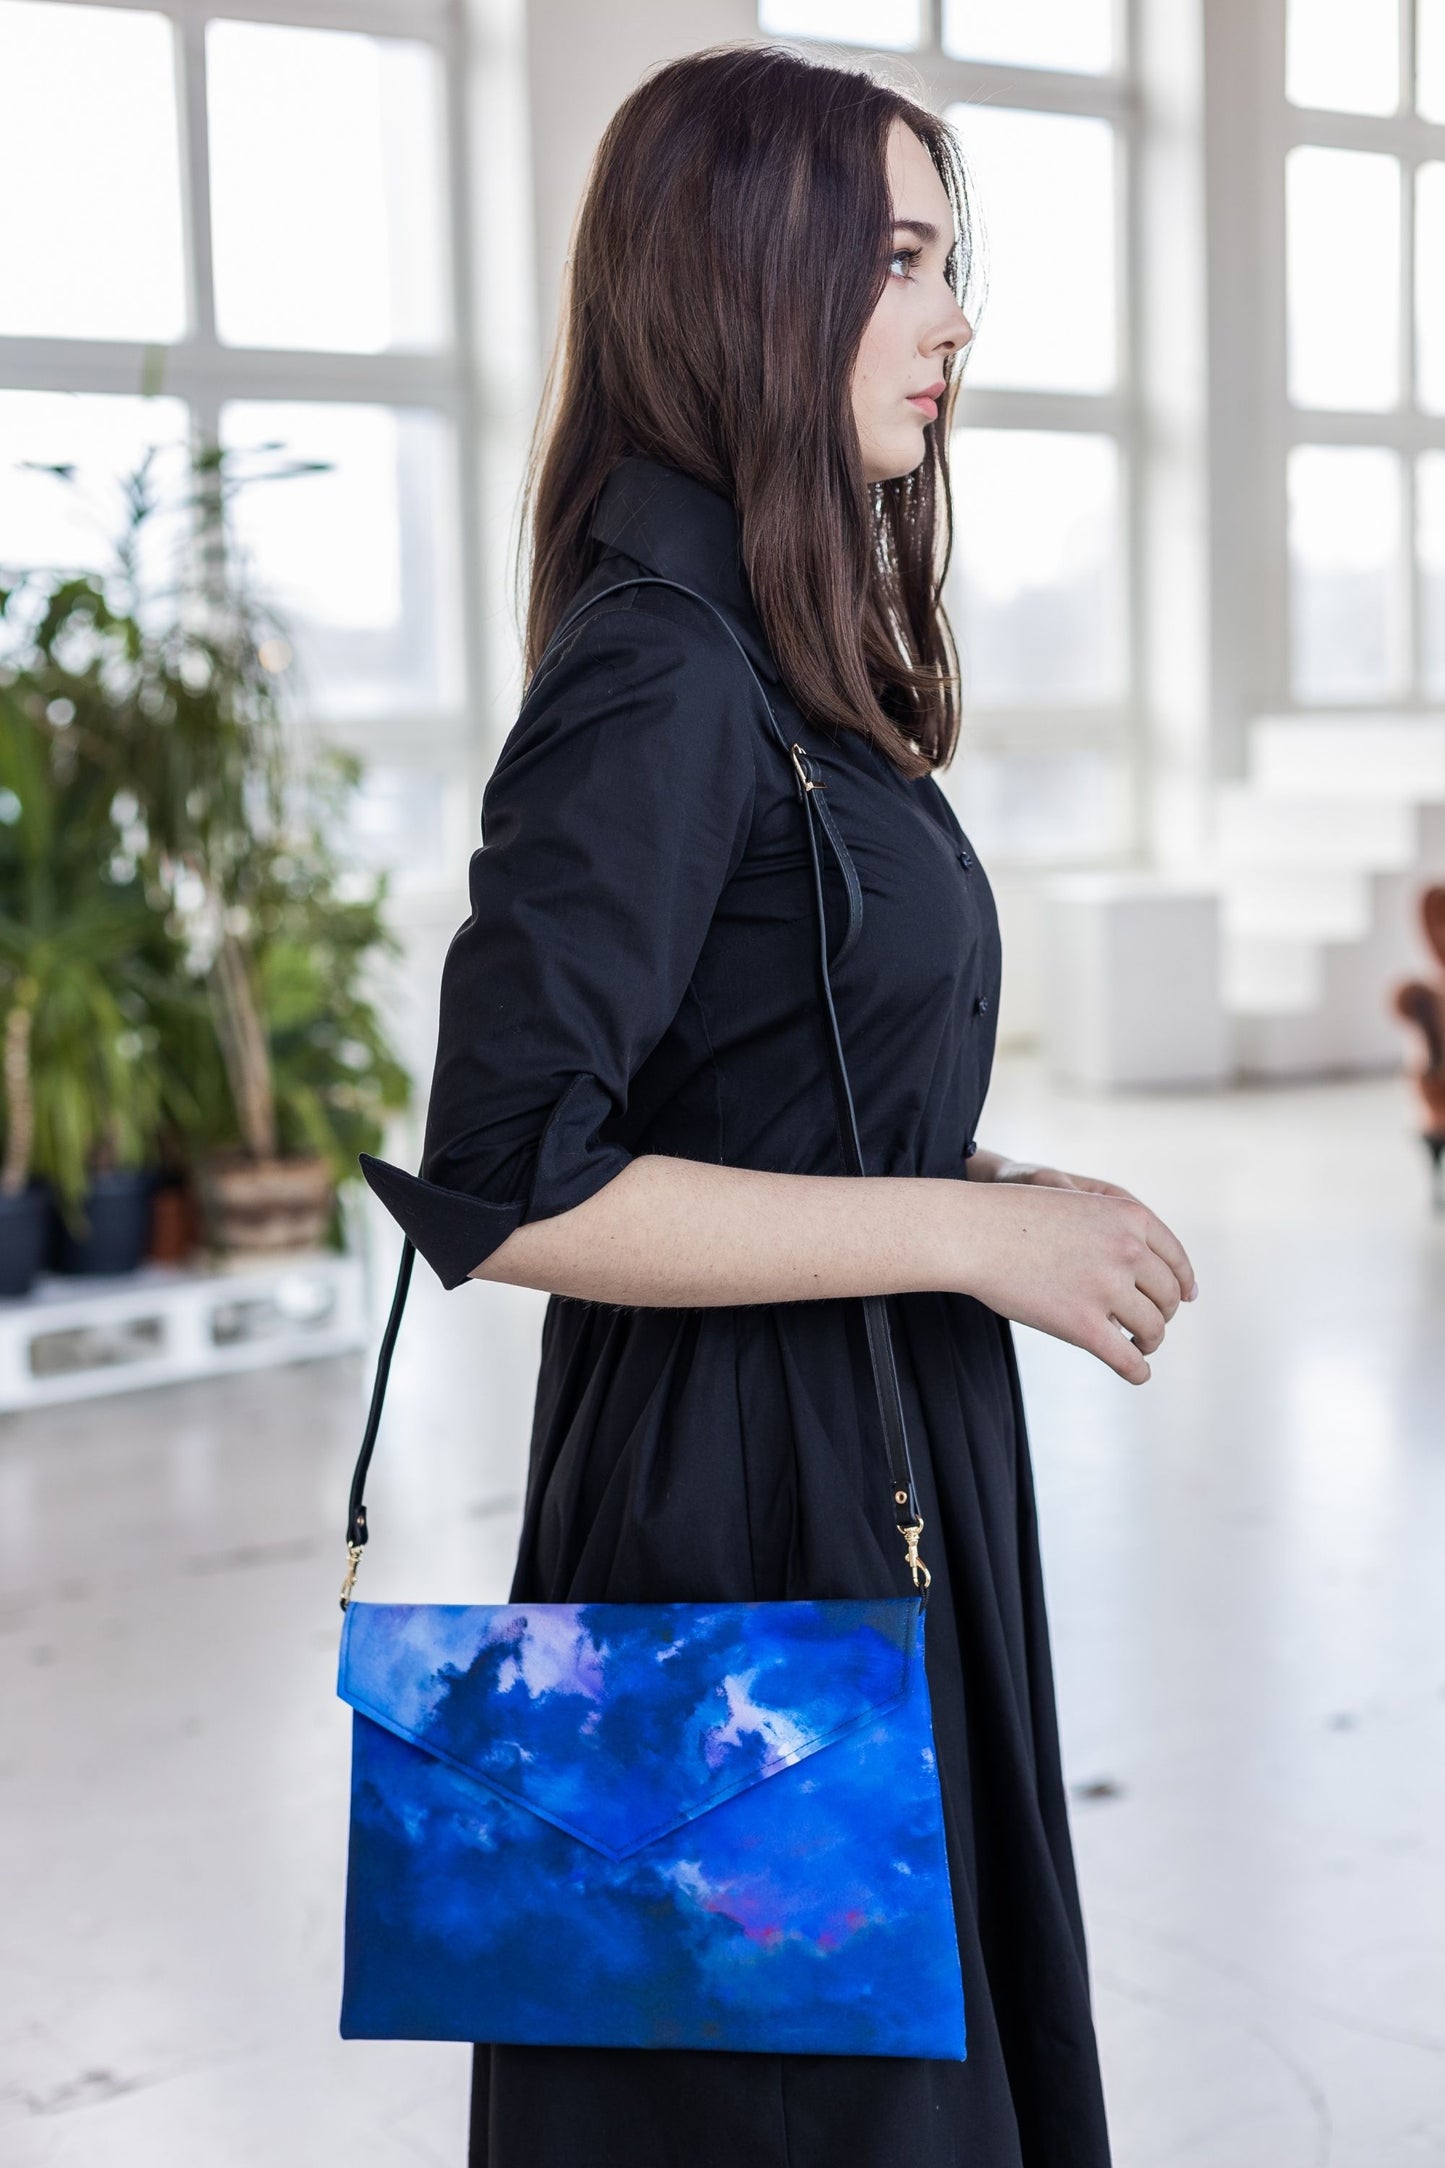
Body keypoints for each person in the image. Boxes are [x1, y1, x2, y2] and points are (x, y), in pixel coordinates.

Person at [358, 40, 1197, 2168]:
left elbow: (751, 1069)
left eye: (945, 258)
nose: (953, 317)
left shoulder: (764, 650)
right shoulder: (659, 662)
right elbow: (506, 1179)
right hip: (739, 1511)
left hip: (867, 1454)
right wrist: (964, 1231)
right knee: (788, 2116)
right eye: (900, 261)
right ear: (752, 278)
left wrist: (981, 1176)